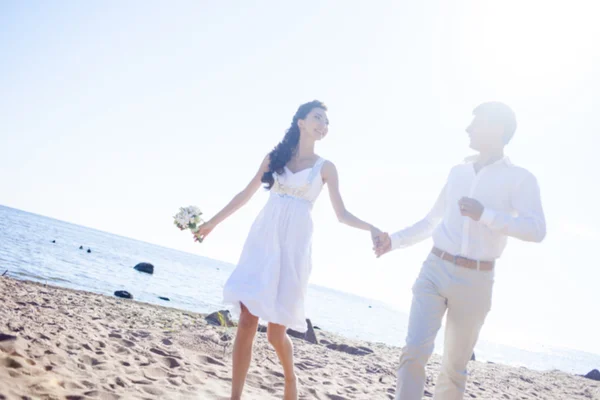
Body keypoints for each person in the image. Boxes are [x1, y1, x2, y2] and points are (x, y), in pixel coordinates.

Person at [194, 100, 381, 400]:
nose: (323, 124)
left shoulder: (326, 168)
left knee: (275, 334)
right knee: (246, 320)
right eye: (317, 117)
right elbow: (245, 194)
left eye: (326, 121)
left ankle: (291, 380)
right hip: (263, 243)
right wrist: (212, 223)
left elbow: (341, 214)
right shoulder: (275, 158)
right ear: (301, 122)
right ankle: (235, 397)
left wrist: (371, 228)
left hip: (293, 249)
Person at [374, 102, 546, 400]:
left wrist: (486, 215)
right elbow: (432, 220)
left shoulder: (520, 178)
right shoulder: (458, 172)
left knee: (454, 369)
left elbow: (536, 229)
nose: (468, 128)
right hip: (435, 268)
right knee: (413, 351)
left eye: (475, 123)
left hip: (476, 281)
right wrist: (395, 241)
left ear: (497, 129)